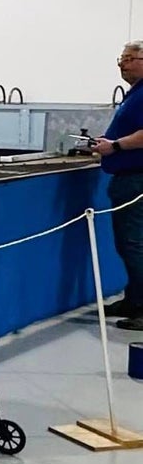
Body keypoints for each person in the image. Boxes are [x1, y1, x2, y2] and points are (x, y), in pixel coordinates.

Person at [95, 40, 143, 329]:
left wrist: (115, 145)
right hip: (127, 177)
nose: (122, 64)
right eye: (120, 59)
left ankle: (141, 308)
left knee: (134, 243)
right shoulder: (134, 95)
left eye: (128, 58)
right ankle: (133, 299)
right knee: (128, 244)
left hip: (136, 178)